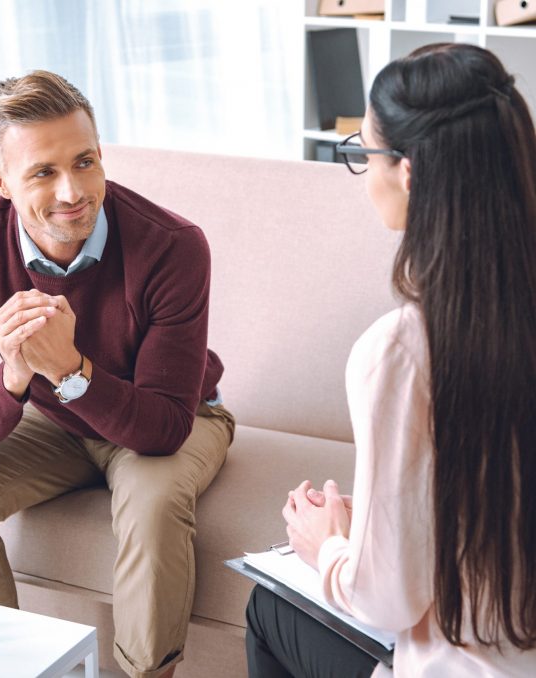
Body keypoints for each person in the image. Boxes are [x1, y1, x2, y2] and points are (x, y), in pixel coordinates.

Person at [245, 42, 536, 677]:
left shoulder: (403, 352)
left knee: (267, 607)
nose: (365, 173)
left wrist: (331, 547)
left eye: (365, 154)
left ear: (409, 172)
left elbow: (388, 599)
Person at [0, 70, 235, 678]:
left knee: (152, 510)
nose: (73, 191)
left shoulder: (174, 245)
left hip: (174, 414)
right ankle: (5, 667)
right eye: (43, 172)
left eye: (86, 161)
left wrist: (69, 369)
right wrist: (14, 376)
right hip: (55, 418)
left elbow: (161, 429)